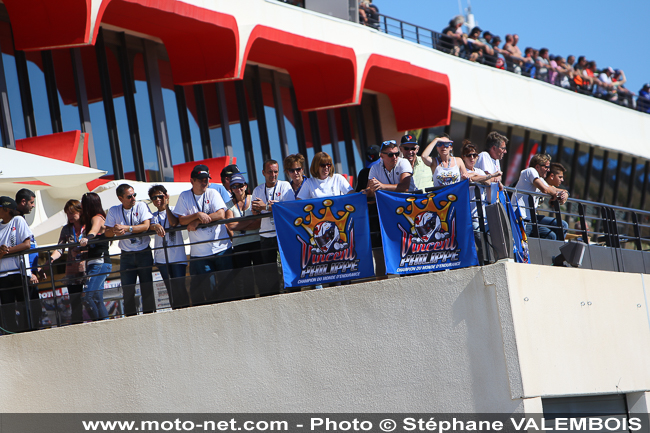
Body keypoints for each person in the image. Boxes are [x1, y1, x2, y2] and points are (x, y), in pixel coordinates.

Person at [173, 164, 231, 306]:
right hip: (200, 254)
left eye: (206, 179)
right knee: (209, 290)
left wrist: (198, 221)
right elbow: (181, 220)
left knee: (228, 287)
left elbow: (220, 214)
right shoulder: (185, 196)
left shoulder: (213, 193)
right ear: (192, 181)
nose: (204, 182)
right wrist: (197, 215)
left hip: (221, 247)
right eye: (200, 179)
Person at [105, 183, 155, 316]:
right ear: (120, 198)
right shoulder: (114, 210)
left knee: (147, 287)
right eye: (129, 196)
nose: (133, 198)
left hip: (144, 252)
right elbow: (107, 233)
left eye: (134, 195)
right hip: (126, 255)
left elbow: (146, 226)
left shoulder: (141, 205)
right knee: (127, 289)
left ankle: (150, 315)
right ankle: (130, 318)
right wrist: (115, 230)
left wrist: (127, 228)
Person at [251, 159, 294, 294]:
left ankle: (292, 291)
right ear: (263, 173)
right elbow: (254, 210)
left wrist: (266, 207)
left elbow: (289, 208)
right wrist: (273, 207)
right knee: (269, 270)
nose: (273, 175)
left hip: (282, 233)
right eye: (270, 172)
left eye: (275, 172)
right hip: (265, 234)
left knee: (288, 266)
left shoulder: (285, 186)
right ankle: (275, 295)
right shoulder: (258, 189)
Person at [149, 185, 189, 310]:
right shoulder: (153, 216)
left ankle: (187, 312)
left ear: (166, 196)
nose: (157, 200)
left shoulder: (174, 209)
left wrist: (166, 206)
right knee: (170, 289)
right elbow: (149, 225)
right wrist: (155, 226)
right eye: (154, 198)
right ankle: (176, 313)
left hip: (177, 257)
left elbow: (173, 223)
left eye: (160, 196)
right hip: (162, 258)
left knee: (180, 287)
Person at [46, 200, 86, 325]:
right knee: (75, 302)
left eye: (72, 213)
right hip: (72, 270)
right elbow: (60, 248)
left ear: (80, 211)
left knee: (92, 298)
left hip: (88, 267)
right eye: (67, 214)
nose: (69, 216)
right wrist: (51, 258)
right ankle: (77, 327)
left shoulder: (89, 226)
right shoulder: (66, 229)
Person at [225, 173, 262, 299]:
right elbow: (230, 226)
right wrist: (250, 221)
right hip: (239, 245)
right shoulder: (228, 204)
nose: (238, 189)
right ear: (231, 189)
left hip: (256, 241)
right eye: (234, 186)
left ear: (245, 186)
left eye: (240, 185)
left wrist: (239, 224)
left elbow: (258, 223)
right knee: (245, 279)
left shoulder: (254, 199)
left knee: (261, 275)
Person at [514, 154, 568, 240]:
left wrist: (565, 194)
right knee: (522, 245)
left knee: (556, 231)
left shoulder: (540, 179)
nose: (548, 170)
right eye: (546, 167)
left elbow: (553, 189)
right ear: (537, 166)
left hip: (531, 217)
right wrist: (555, 194)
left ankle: (556, 252)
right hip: (522, 217)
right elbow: (545, 189)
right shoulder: (530, 171)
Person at [0, 196, 33, 333]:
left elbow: (27, 244)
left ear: (6, 209)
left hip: (19, 271)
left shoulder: (18, 220)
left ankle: (28, 333)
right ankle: (12, 337)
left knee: (24, 305)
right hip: (3, 274)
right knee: (7, 309)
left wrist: (6, 251)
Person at [79, 192, 111, 321]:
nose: (81, 206)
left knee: (87, 297)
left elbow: (94, 230)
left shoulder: (97, 218)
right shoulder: (97, 217)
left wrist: (87, 238)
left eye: (83, 203)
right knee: (97, 298)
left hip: (99, 262)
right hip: (97, 263)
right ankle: (105, 325)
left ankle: (99, 326)